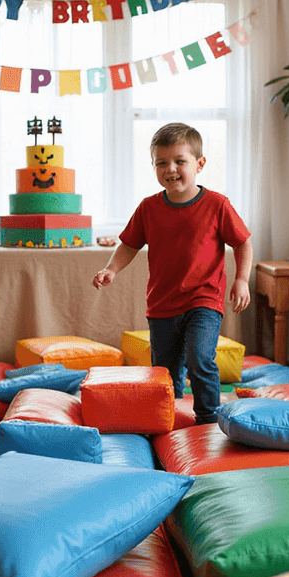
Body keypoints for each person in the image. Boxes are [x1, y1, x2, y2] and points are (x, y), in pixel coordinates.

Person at [93, 123, 253, 425]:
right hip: (162, 304)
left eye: (180, 161)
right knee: (165, 369)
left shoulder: (217, 204)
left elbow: (243, 242)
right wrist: (111, 269)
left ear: (199, 164)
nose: (172, 169)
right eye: (162, 162)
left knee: (200, 359)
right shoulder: (149, 208)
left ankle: (207, 419)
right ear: (153, 166)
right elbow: (128, 244)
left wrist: (241, 280)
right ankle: (169, 414)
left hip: (204, 301)